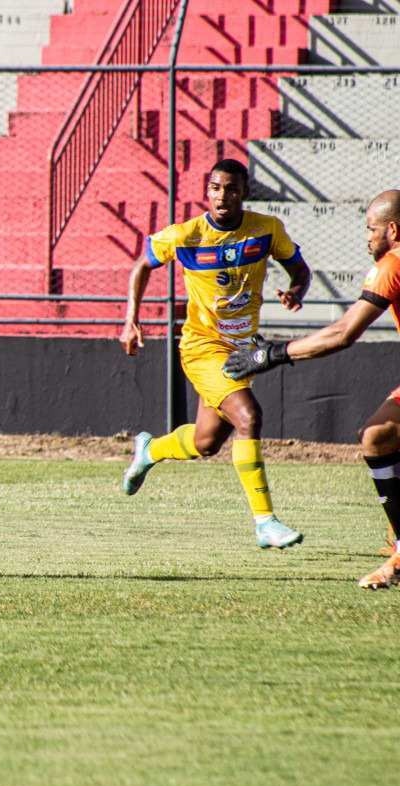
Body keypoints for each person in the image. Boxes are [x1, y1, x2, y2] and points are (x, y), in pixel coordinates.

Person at [119, 158, 312, 549]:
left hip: (240, 352)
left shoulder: (267, 230)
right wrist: (131, 320)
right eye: (215, 188)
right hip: (202, 347)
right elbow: (141, 265)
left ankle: (150, 449)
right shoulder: (186, 235)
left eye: (231, 189)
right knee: (249, 416)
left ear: (244, 192)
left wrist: (297, 291)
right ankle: (265, 522)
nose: (222, 196)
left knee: (207, 442)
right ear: (207, 191)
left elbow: (300, 269)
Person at [223, 189, 400, 588]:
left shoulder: (391, 264)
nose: (367, 238)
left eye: (371, 229)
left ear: (392, 229)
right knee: (378, 435)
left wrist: (271, 354)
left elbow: (342, 333)